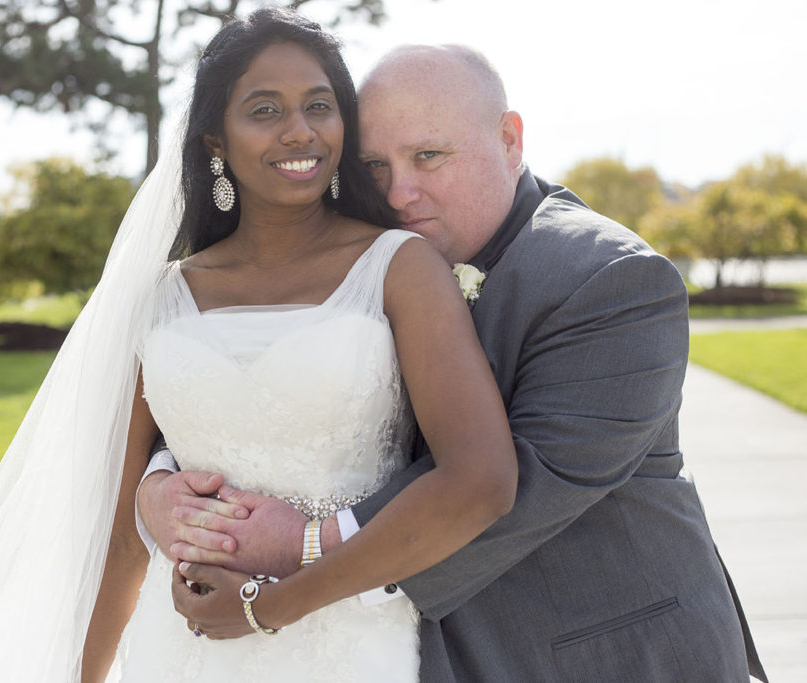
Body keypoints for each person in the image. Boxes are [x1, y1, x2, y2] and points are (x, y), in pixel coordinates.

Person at [0, 10, 518, 683]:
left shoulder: (400, 266)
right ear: (215, 137)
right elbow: (125, 533)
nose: (299, 130)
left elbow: (481, 480)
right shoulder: (161, 295)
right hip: (178, 645)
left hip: (344, 641)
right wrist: (87, 674)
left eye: (319, 106)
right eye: (265, 109)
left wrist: (270, 605)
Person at [141, 45, 767, 682]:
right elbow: (260, 396)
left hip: (601, 655)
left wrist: (295, 554)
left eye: (429, 157)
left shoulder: (610, 279)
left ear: (510, 140)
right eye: (375, 165)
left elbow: (516, 488)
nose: (399, 192)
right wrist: (160, 488)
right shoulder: (371, 263)